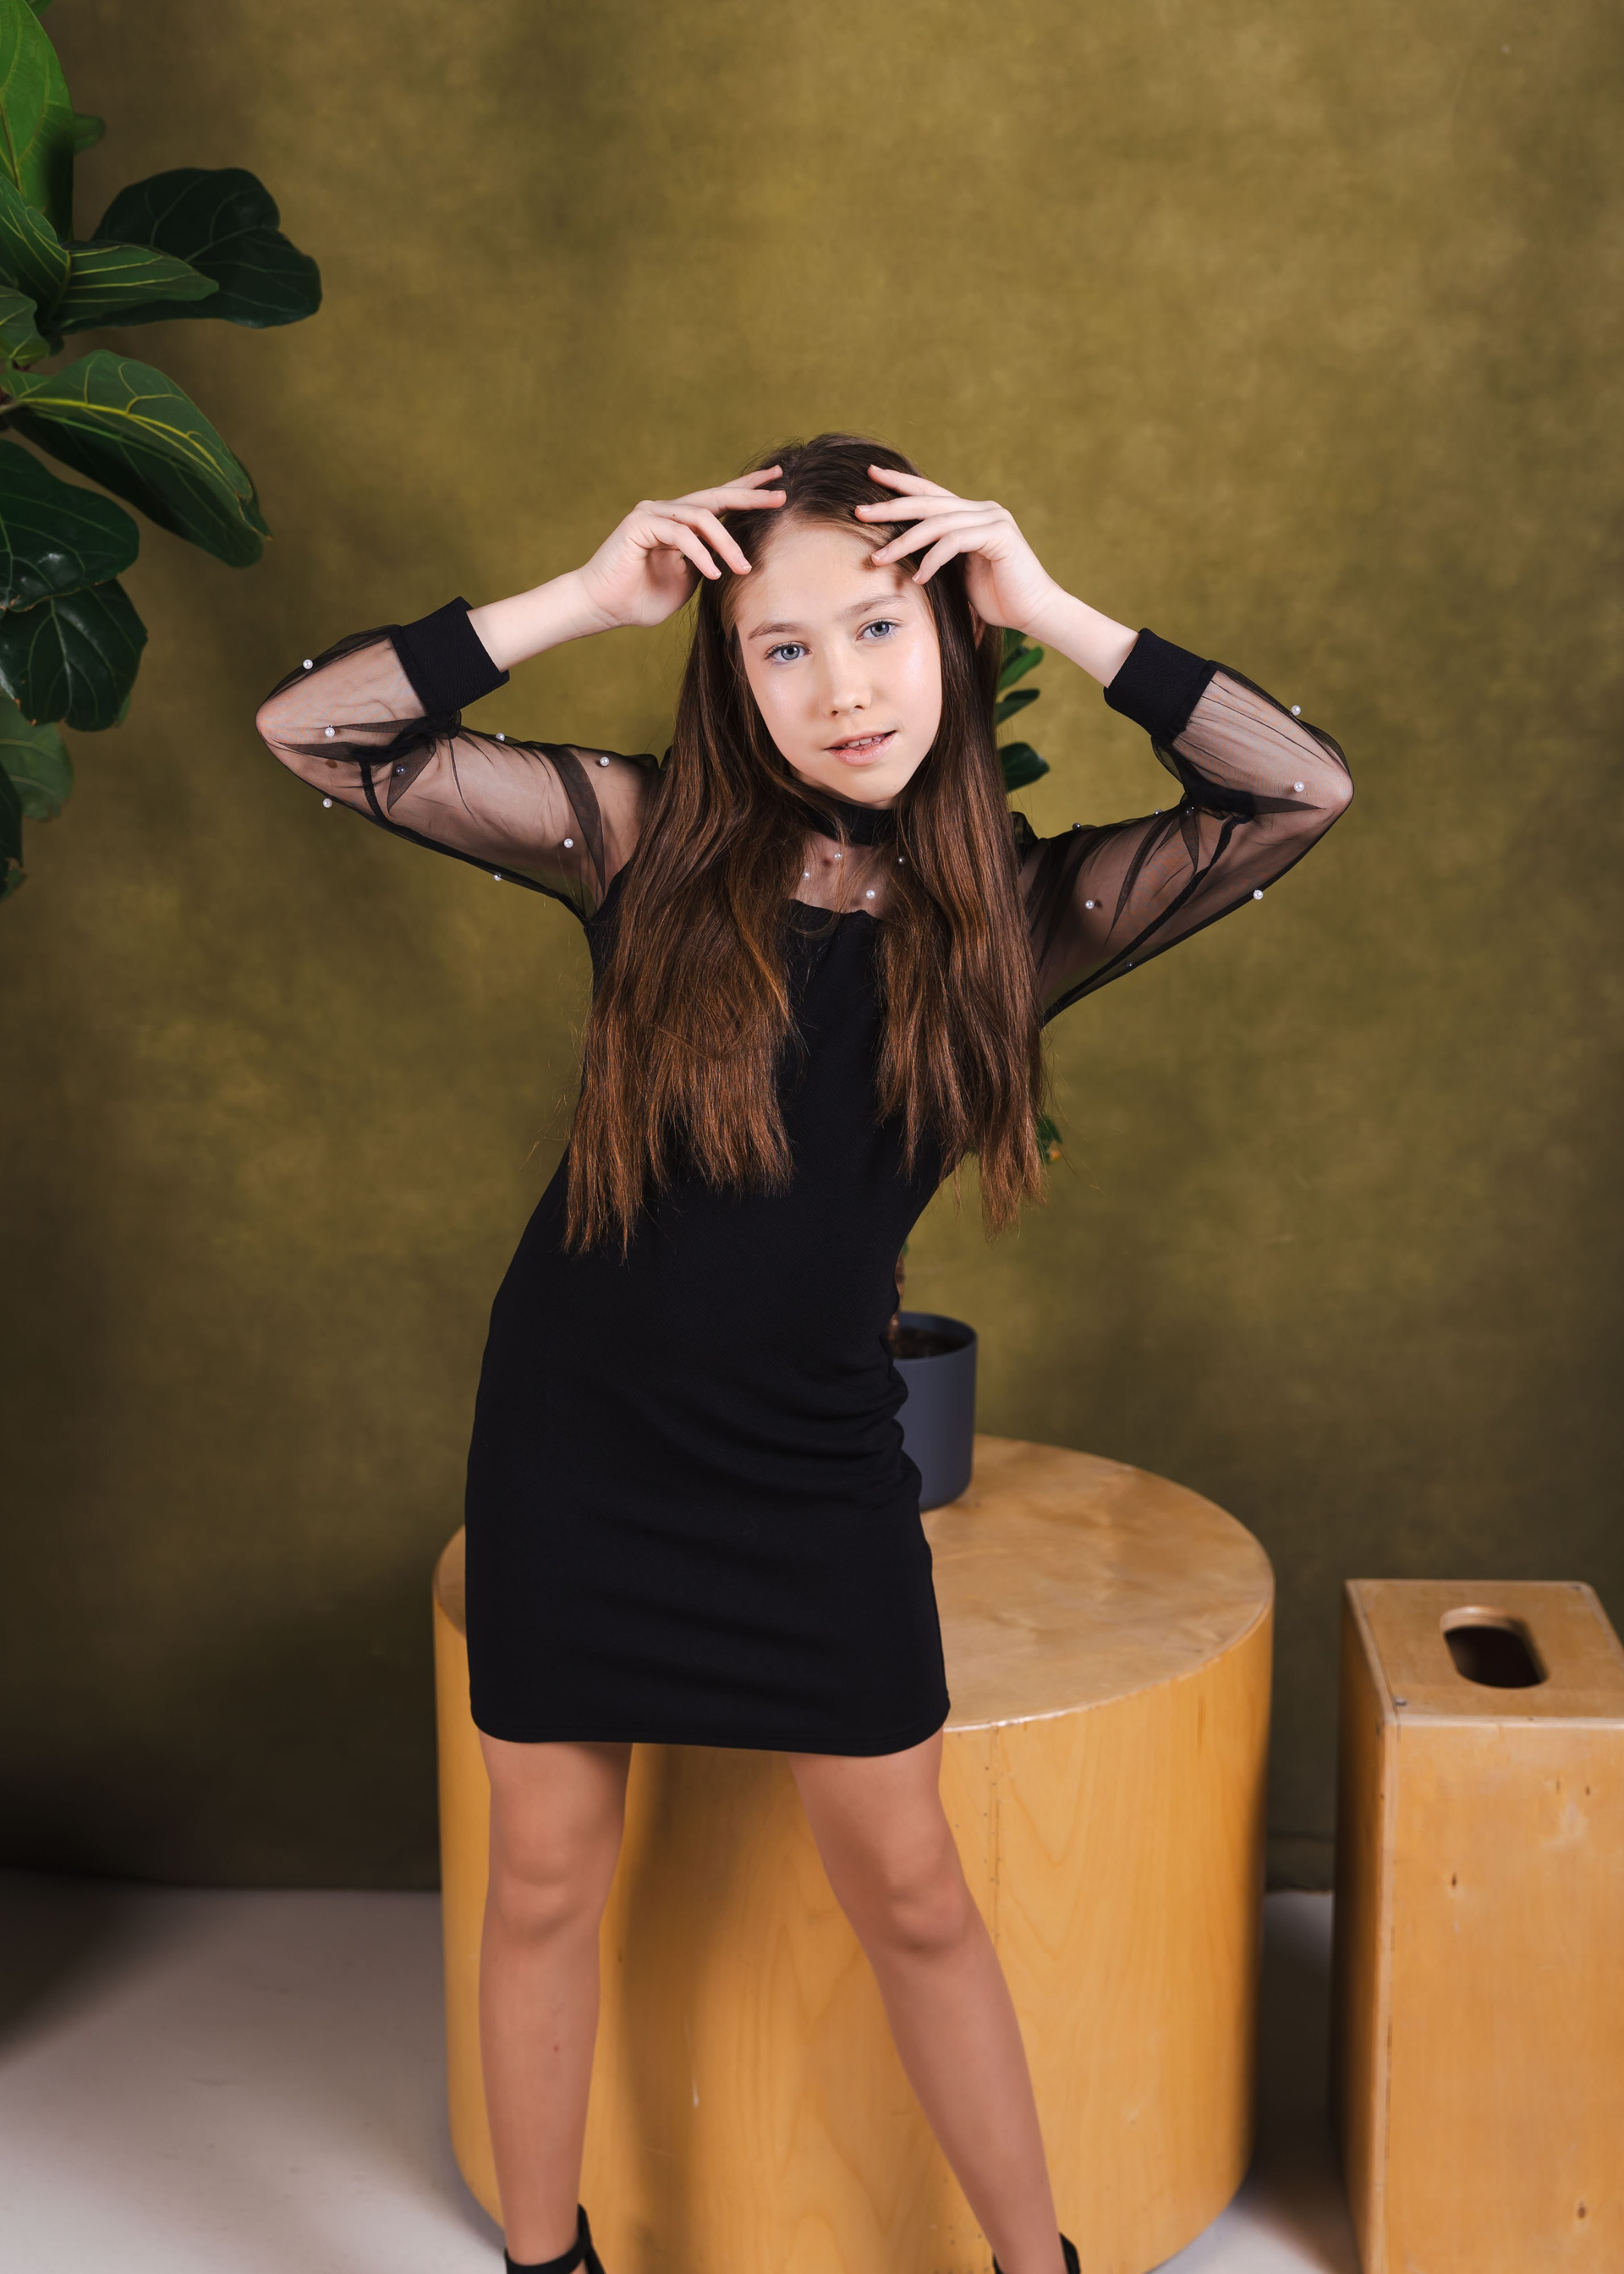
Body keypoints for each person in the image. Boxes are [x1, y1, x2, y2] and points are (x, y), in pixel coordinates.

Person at [255, 433, 1351, 2274]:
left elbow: (1295, 788)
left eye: (882, 626)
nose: (843, 687)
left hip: (812, 1461)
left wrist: (1054, 607)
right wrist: (583, 598)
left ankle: (1038, 2266)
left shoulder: (1022, 918)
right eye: (784, 646)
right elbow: (319, 734)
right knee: (544, 1882)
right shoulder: (638, 842)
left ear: (956, 636)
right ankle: (545, 2262)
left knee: (914, 1895)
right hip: (579, 1440)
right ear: (731, 674)